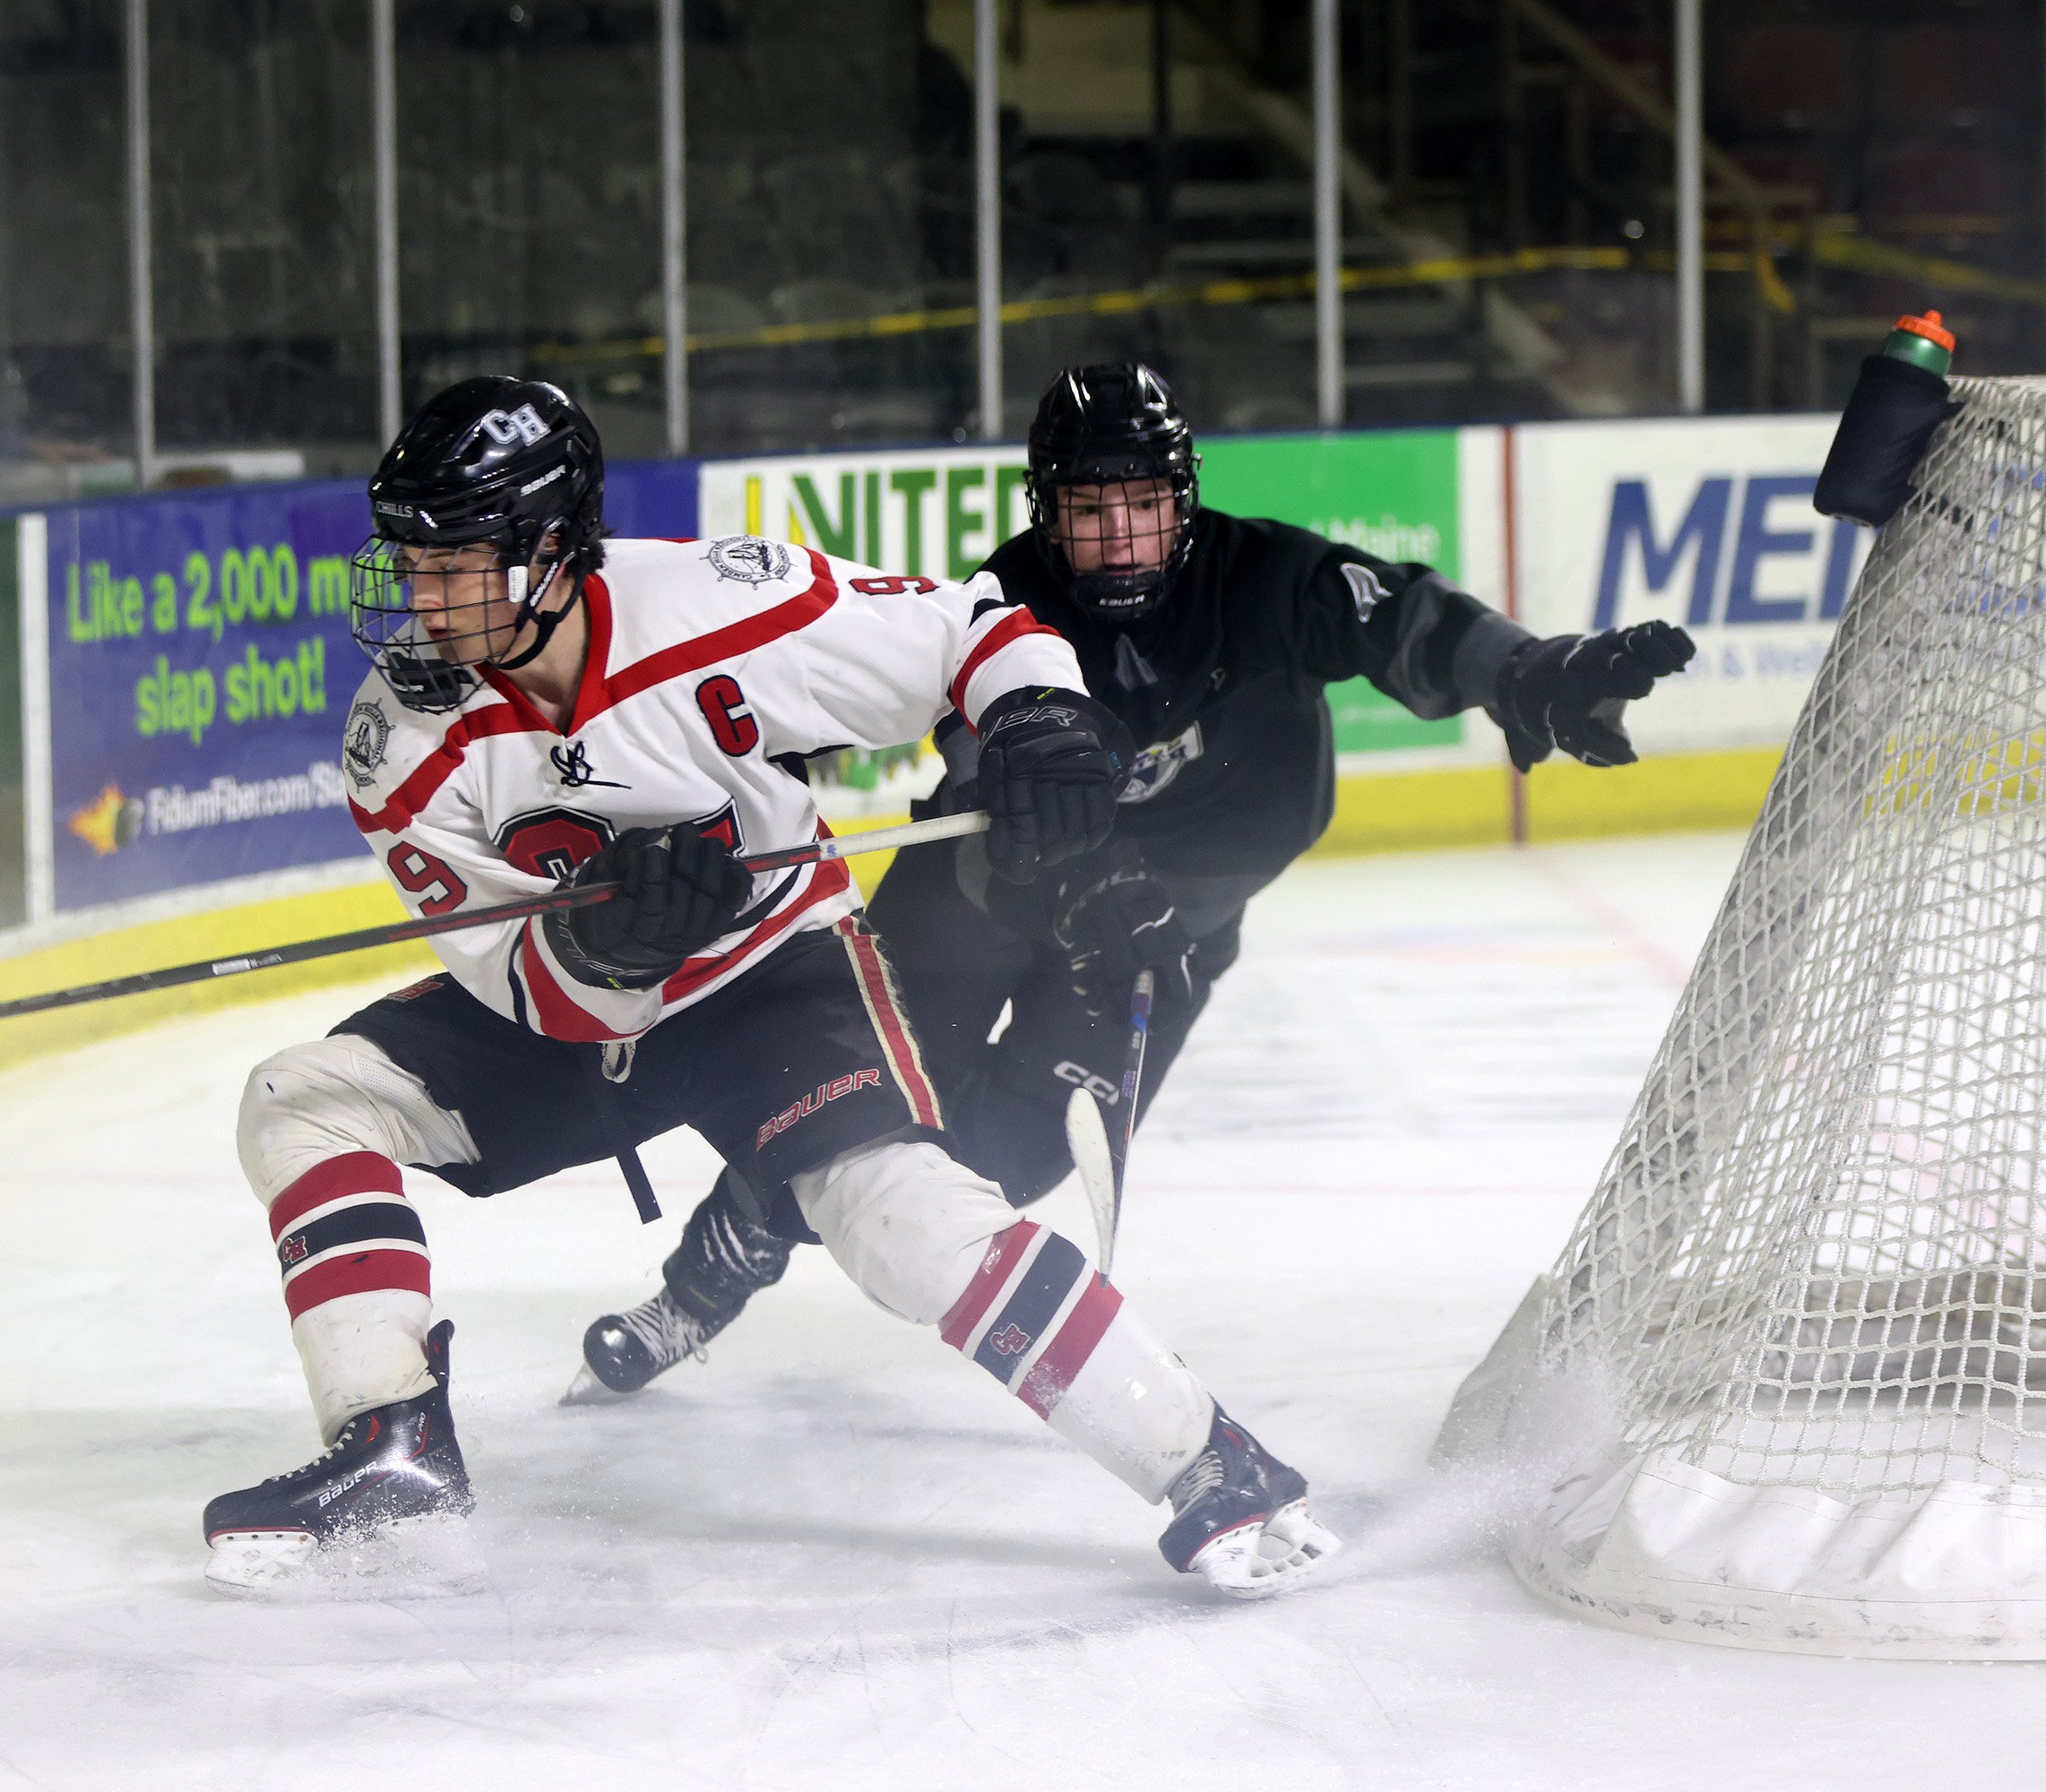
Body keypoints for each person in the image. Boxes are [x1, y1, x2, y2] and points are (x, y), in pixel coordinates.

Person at [203, 374, 1344, 1601]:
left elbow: (978, 630)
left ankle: (1211, 1462)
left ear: (550, 549)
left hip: (772, 982)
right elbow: (523, 980)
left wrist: (1036, 721)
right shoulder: (400, 739)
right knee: (300, 1098)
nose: (424, 602)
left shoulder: (715, 603)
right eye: (411, 565)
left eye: (457, 564)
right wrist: (608, 948)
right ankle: (390, 1444)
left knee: (899, 1223)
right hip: (578, 1022)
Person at [574, 361, 1696, 1399]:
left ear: (1186, 499)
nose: (1120, 539)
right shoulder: (998, 602)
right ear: (1043, 513)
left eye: (1145, 506)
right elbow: (913, 740)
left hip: (1165, 933)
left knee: (1001, 1168)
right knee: (842, 1103)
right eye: (1089, 512)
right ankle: (715, 1266)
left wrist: (1528, 669)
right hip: (978, 900)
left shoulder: (1265, 575)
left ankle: (785, 1207)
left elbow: (1407, 618)